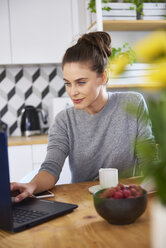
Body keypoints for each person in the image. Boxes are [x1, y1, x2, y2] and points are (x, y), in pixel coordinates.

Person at [11, 31, 156, 202]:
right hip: (82, 202)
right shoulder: (64, 121)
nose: (73, 92)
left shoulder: (133, 103)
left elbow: (150, 160)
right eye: (67, 83)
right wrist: (32, 185)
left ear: (103, 77)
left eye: (81, 82)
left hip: (125, 200)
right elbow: (51, 168)